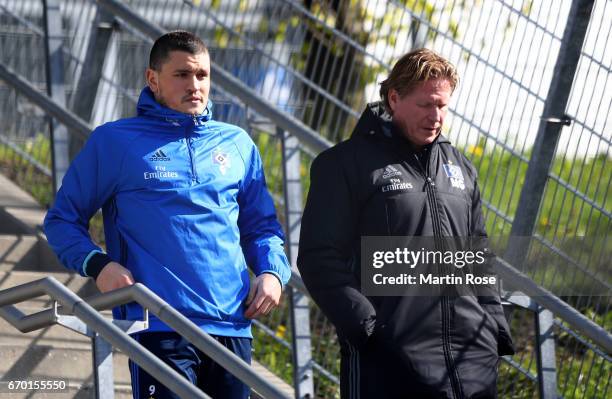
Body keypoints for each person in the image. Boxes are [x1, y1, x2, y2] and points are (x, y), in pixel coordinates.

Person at [44, 31, 291, 399]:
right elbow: (62, 219)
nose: (195, 85)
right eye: (182, 75)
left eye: (202, 75)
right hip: (156, 322)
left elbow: (261, 228)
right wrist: (98, 264)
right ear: (153, 80)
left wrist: (272, 272)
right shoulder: (115, 141)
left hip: (233, 325)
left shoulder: (237, 143)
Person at [297, 48, 515, 399]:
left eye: (443, 105)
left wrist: (493, 328)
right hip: (388, 364)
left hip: (472, 363)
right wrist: (370, 330)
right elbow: (319, 258)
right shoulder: (344, 164)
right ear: (394, 98)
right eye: (426, 104)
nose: (436, 116)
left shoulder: (460, 167)